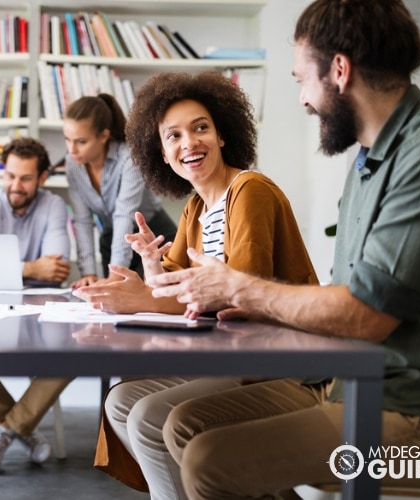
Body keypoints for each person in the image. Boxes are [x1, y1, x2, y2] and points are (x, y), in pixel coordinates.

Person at [145, 1, 420, 498]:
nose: (302, 100)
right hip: (352, 387)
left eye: (302, 80)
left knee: (213, 463)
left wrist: (239, 288)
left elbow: (367, 316)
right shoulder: (369, 163)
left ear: (339, 70)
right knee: (184, 426)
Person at [80, 71, 318, 499]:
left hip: (274, 362)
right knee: (119, 402)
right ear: (163, 155)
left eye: (201, 127)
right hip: (225, 357)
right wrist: (152, 266)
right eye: (173, 136)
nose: (188, 142)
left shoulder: (249, 190)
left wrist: (143, 297)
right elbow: (171, 288)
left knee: (150, 415)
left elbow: (241, 293)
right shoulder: (195, 208)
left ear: (223, 135)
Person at [0, 136, 74, 472]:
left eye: (25, 178)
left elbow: (55, 271)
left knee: (71, 356)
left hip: (41, 307)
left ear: (41, 178)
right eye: (9, 176)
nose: (15, 185)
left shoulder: (53, 205)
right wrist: (29, 268)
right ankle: (25, 431)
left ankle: (7, 431)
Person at [63, 93, 177, 289]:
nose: (72, 149)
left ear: (104, 136)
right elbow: (82, 221)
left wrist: (115, 273)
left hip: (154, 237)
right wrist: (88, 273)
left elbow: (124, 214)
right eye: (67, 139)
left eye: (81, 142)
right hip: (114, 238)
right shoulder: (72, 165)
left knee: (152, 300)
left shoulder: (130, 158)